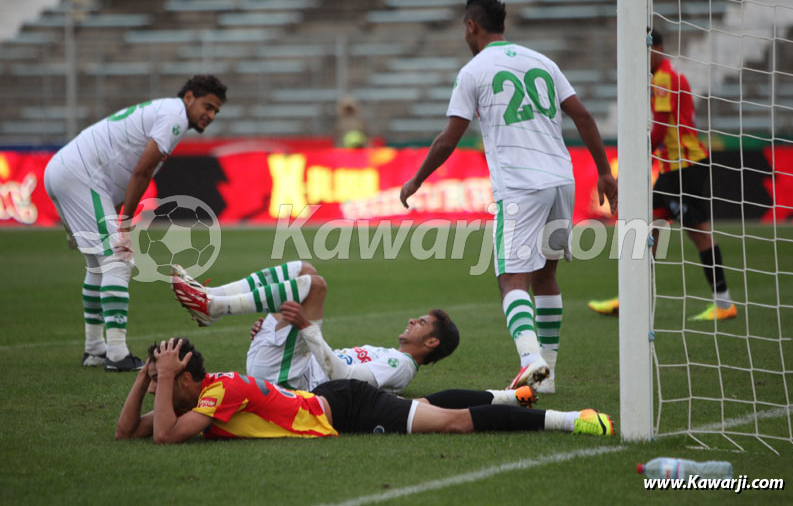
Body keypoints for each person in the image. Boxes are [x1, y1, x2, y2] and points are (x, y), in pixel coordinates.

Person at [399, 0, 618, 395]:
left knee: (510, 279)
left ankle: (530, 362)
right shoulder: (542, 61)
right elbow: (583, 115)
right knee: (547, 275)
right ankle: (547, 372)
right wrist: (605, 172)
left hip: (521, 186)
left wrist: (416, 180)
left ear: (471, 26)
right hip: (561, 181)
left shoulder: (474, 71)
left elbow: (449, 138)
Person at [44, 74, 227, 371]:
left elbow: (129, 171)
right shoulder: (174, 116)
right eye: (208, 106)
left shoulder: (167, 112)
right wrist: (125, 228)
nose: (211, 115)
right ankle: (116, 354)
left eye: (216, 111)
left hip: (67, 171)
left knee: (98, 263)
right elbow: (142, 170)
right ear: (189, 97)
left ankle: (95, 349)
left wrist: (117, 218)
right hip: (81, 177)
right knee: (119, 260)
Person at [170, 261, 534, 407]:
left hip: (287, 380)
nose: (413, 320)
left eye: (422, 323)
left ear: (431, 343)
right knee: (304, 268)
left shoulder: (401, 366)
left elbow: (340, 377)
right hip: (285, 359)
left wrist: (305, 330)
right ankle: (211, 302)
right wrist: (291, 333)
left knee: (316, 286)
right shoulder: (387, 352)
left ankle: (214, 307)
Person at [115, 337, 614, 443]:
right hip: (334, 400)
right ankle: (509, 396)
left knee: (450, 422)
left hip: (346, 406)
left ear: (183, 378)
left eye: (162, 376)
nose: (157, 383)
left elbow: (163, 436)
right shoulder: (203, 396)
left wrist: (160, 381)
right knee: (419, 407)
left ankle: (572, 419)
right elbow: (128, 434)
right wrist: (144, 379)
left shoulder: (217, 392)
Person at [588, 28, 736, 321]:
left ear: (656, 47)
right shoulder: (667, 76)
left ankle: (724, 303)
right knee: (646, 227)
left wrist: (637, 153)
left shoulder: (664, 78)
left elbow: (662, 126)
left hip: (684, 168)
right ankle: (631, 298)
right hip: (675, 168)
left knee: (700, 235)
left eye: (644, 50)